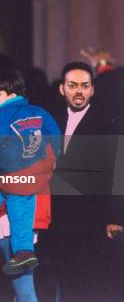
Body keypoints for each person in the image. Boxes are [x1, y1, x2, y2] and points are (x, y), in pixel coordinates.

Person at [44, 61, 119, 300]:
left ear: (92, 90)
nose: (79, 91)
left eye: (85, 86)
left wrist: (115, 217)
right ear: (62, 89)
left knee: (85, 285)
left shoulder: (107, 123)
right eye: (73, 85)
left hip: (91, 220)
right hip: (54, 220)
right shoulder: (50, 120)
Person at [0, 69, 60, 276]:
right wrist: (52, 157)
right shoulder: (39, 111)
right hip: (33, 173)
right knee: (22, 208)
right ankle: (24, 250)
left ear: (12, 95)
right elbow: (56, 134)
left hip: (4, 170)